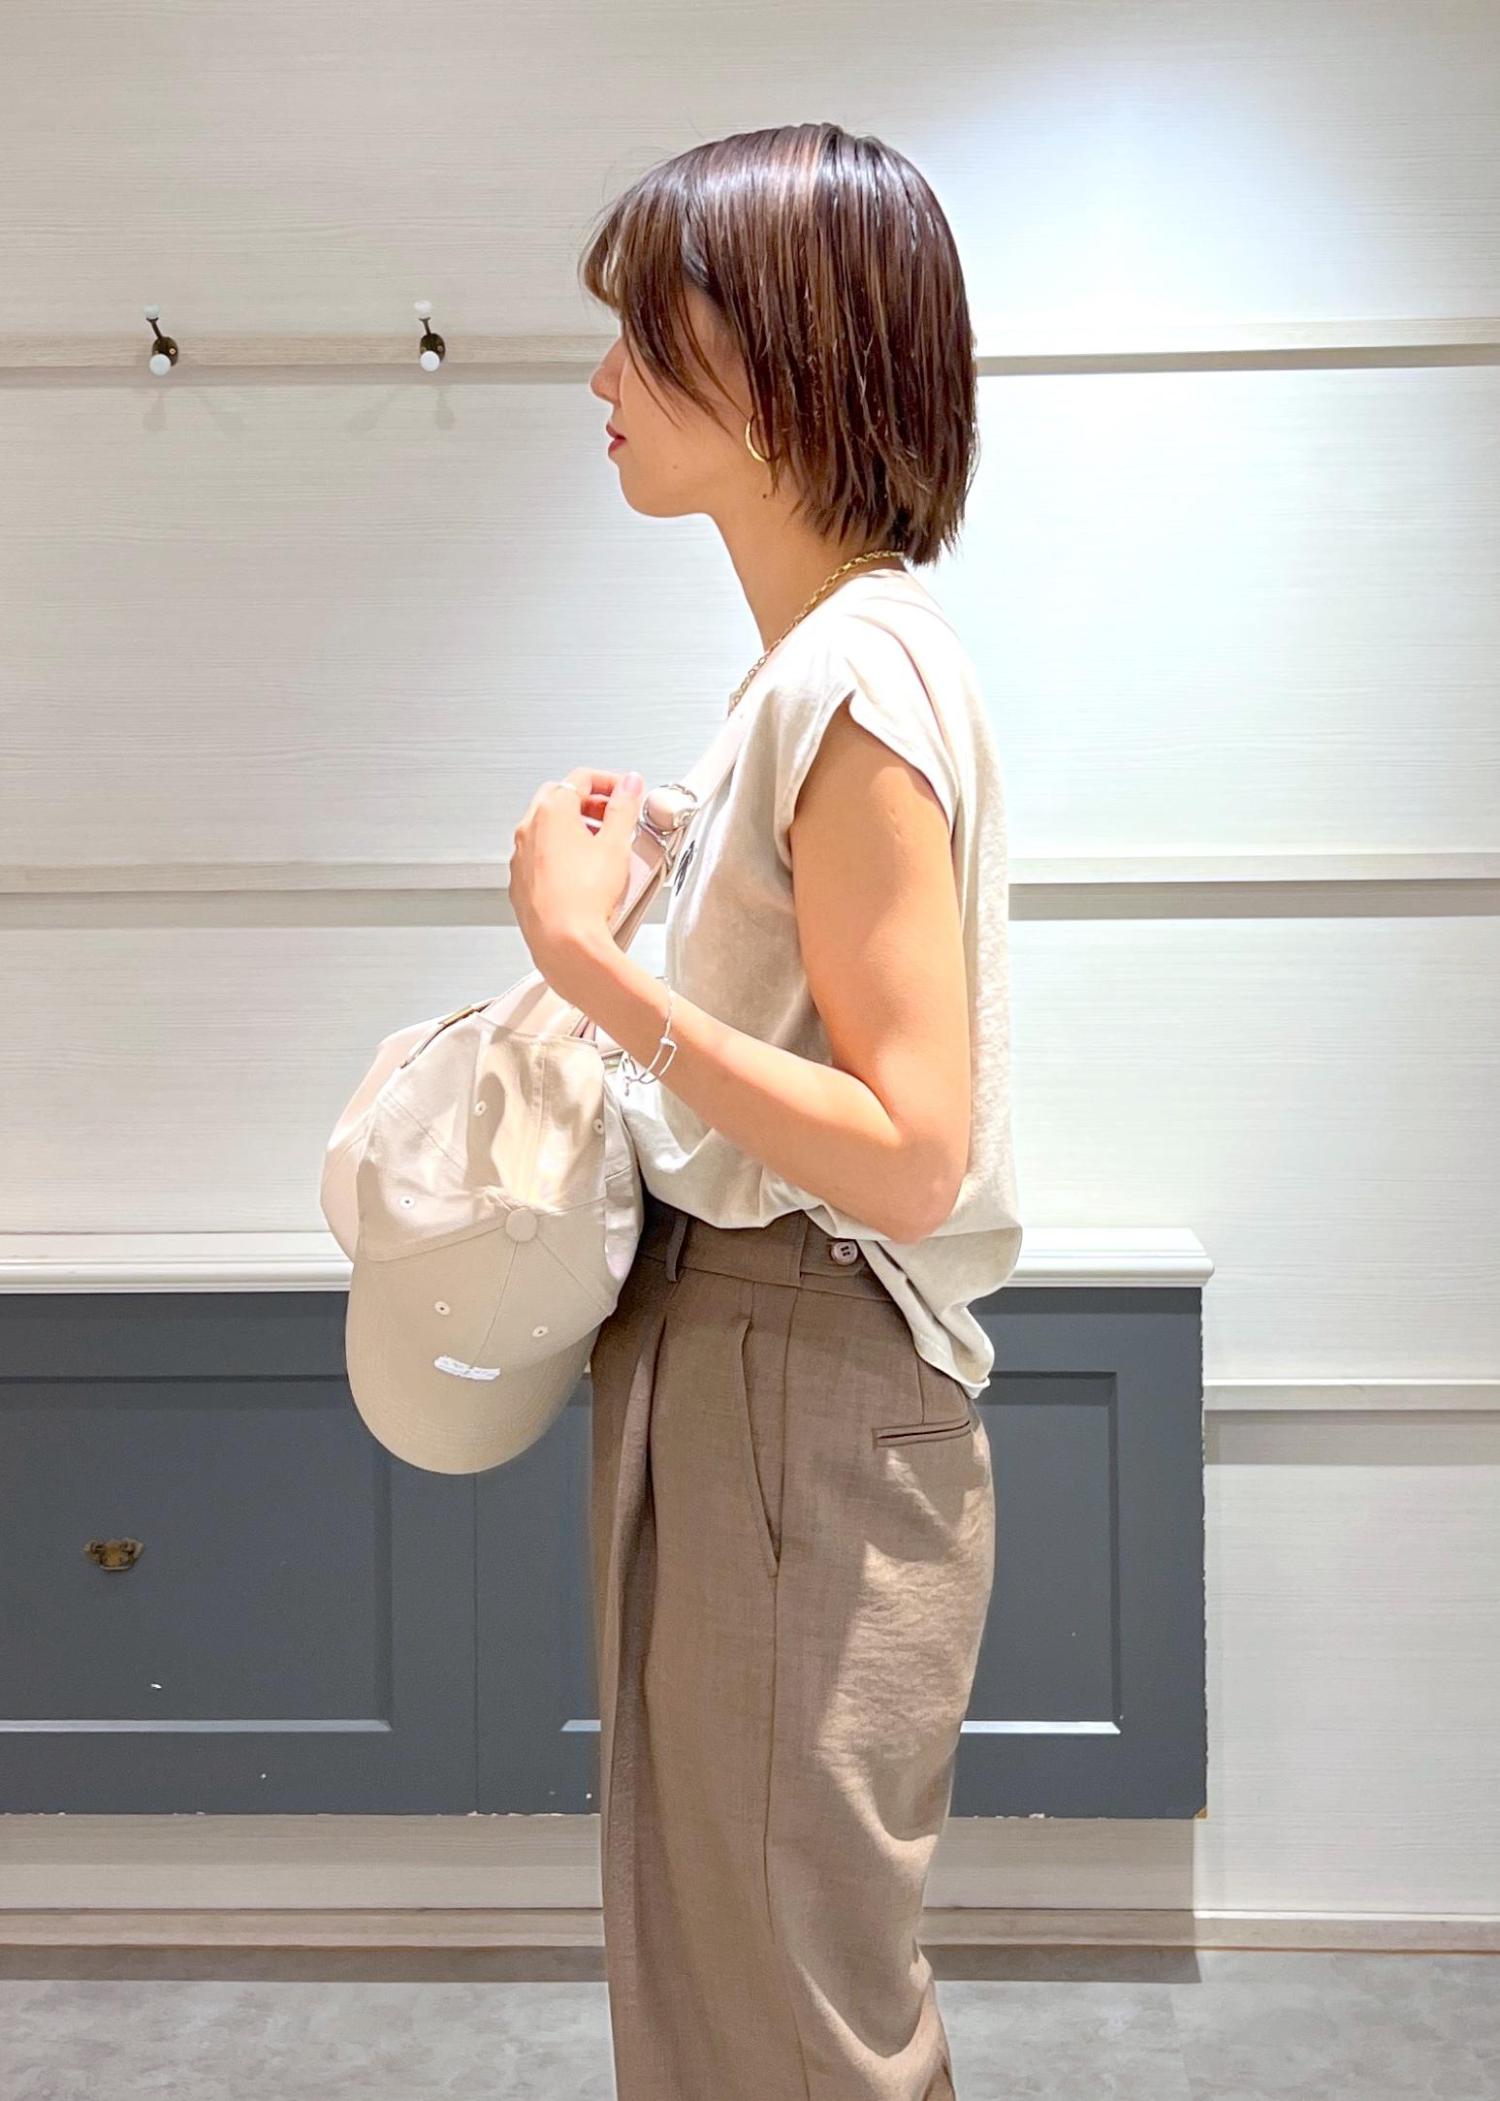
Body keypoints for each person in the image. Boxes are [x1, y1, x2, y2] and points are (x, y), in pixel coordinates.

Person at [507, 120, 1023, 2101]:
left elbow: (909, 1144)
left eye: (649, 330)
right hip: (751, 1360)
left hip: (797, 1360)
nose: (604, 376)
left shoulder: (855, 678)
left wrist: (592, 963)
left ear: (788, 355)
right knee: (737, 1982)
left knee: (784, 2012)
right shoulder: (814, 674)